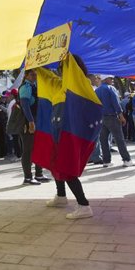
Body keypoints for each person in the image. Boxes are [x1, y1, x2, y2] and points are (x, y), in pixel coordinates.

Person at [44, 54, 95, 220]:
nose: (60, 71)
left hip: (69, 132)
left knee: (66, 166)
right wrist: (38, 65)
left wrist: (66, 56)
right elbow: (48, 78)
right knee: (55, 163)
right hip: (58, 130)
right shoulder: (61, 85)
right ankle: (60, 196)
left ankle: (83, 205)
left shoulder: (80, 83)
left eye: (62, 67)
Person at [19, 69, 51, 184]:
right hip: (28, 124)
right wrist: (31, 121)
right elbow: (25, 106)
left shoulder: (34, 86)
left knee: (39, 148)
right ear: (26, 75)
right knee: (28, 151)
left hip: (37, 122)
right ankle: (27, 178)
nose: (34, 76)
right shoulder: (25, 87)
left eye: (36, 75)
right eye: (32, 74)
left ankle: (39, 174)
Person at [95, 75, 132, 167]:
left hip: (101, 118)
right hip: (112, 117)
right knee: (119, 139)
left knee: (103, 140)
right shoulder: (111, 88)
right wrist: (121, 116)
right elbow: (116, 103)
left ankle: (106, 161)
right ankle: (127, 159)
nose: (112, 80)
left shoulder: (97, 90)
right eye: (111, 78)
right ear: (106, 79)